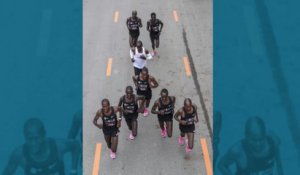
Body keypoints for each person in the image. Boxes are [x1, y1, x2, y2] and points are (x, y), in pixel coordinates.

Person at [2, 118, 80, 175]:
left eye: (36, 138)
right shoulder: (19, 155)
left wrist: (73, 171)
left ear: (44, 135)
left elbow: (75, 145)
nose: (33, 143)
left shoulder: (58, 146)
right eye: (29, 139)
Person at [218, 117, 283, 175]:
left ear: (265, 134)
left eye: (261, 139)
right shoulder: (238, 151)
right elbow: (222, 165)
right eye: (254, 140)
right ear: (246, 137)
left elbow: (279, 162)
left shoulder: (273, 141)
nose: (258, 144)